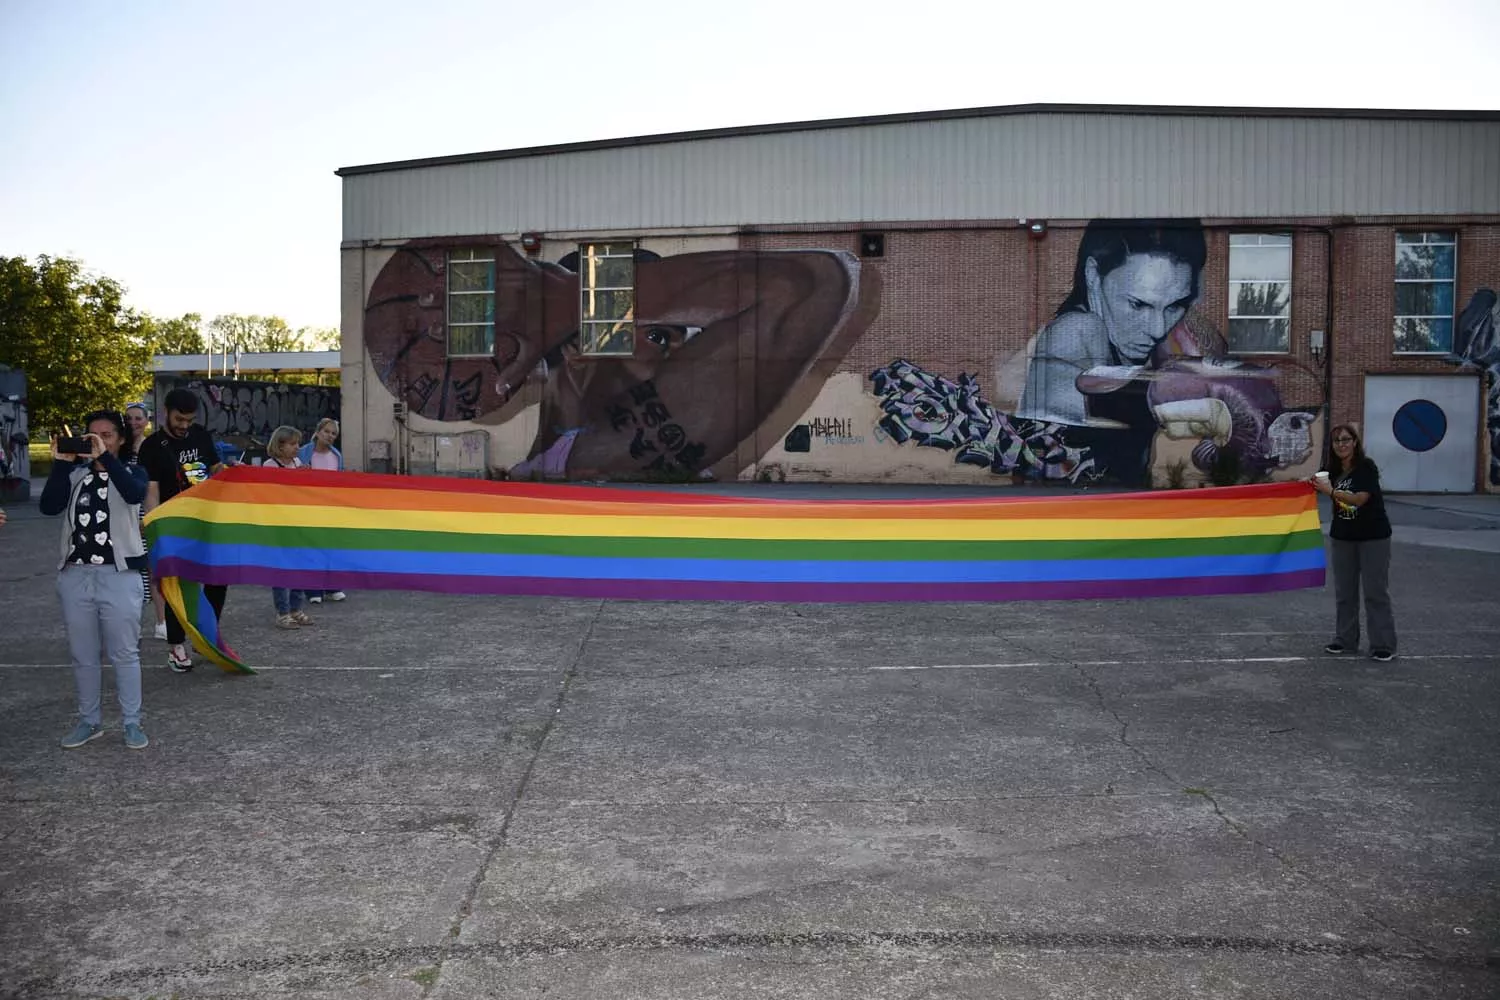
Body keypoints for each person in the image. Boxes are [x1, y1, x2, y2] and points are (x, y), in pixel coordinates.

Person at [1012, 219, 1211, 484]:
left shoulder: (1171, 339)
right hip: (1076, 501)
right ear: (1093, 277)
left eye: (1174, 306)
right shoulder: (1077, 331)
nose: (1158, 328)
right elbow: (1059, 460)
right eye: (1138, 304)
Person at [39, 410, 151, 749]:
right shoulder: (76, 475)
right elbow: (49, 506)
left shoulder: (132, 471)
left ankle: (132, 722)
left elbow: (134, 494)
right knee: (83, 654)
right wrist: (61, 464)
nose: (98, 441)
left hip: (119, 575)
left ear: (120, 439)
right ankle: (89, 721)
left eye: (107, 435)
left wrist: (107, 460)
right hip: (76, 575)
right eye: (92, 435)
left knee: (124, 653)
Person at [136, 388, 225, 672]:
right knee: (177, 584)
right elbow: (151, 492)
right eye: (179, 419)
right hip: (172, 525)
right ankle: (176, 645)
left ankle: (204, 635)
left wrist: (230, 473)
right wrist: (154, 525)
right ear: (165, 412)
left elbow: (215, 468)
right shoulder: (152, 447)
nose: (184, 425)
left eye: (189, 420)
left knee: (217, 578)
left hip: (205, 519)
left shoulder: (201, 435)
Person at [1310, 423, 1396, 661]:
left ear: (1355, 442)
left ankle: (1383, 644)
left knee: (1375, 592)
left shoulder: (1366, 467)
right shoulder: (1331, 470)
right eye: (1337, 441)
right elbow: (1315, 485)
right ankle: (1345, 640)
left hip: (1373, 536)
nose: (1341, 445)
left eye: (1346, 439)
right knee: (1345, 592)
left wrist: (1330, 491)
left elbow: (1359, 499)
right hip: (1343, 537)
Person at [262, 425, 317, 629]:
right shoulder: (270, 465)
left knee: (299, 566)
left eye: (298, 444)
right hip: (278, 524)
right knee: (281, 568)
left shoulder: (297, 463)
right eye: (293, 444)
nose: (297, 447)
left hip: (297, 522)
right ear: (280, 445)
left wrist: (306, 476)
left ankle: (296, 608)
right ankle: (282, 612)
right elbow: (268, 492)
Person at [124, 402, 166, 640]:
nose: (133, 423)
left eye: (138, 418)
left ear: (147, 421)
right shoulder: (119, 448)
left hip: (148, 510)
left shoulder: (153, 448)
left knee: (154, 567)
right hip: (124, 513)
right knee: (131, 570)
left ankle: (162, 622)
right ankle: (132, 624)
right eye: (128, 418)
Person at [297, 417, 346, 604]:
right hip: (308, 506)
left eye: (334, 433)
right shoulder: (303, 453)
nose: (330, 436)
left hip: (330, 507)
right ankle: (312, 588)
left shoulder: (336, 456)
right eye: (326, 431)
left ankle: (332, 586)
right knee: (311, 547)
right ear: (317, 432)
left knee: (330, 546)